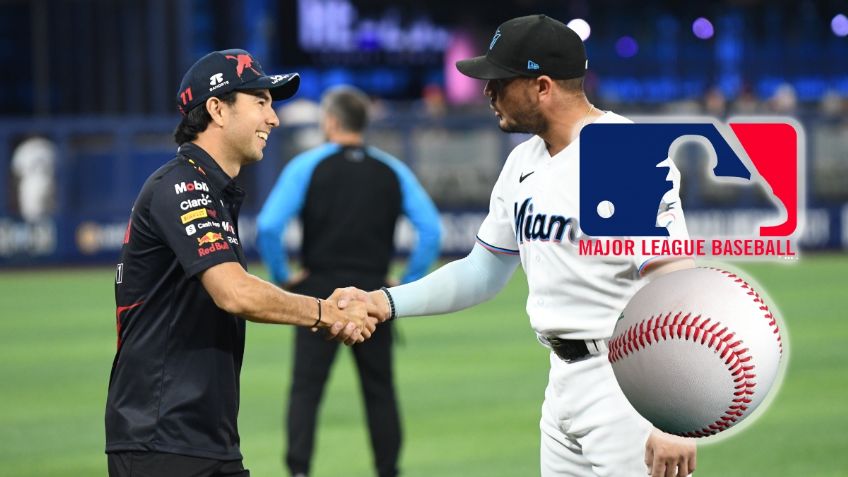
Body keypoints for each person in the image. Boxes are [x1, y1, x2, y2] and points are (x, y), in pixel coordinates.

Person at [336, 15, 698, 477]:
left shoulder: (621, 155)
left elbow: (675, 282)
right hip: (563, 383)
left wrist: (676, 412)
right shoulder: (522, 162)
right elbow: (482, 272)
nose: (487, 92)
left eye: (501, 81)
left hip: (629, 382)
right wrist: (384, 302)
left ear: (542, 86)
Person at [105, 49, 378, 477]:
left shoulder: (210, 191)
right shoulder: (180, 185)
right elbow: (235, 293)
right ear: (216, 108)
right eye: (261, 102)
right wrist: (325, 312)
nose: (275, 119)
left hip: (202, 440)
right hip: (161, 442)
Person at [256, 85, 442, 477]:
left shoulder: (307, 166)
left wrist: (284, 280)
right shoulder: (391, 169)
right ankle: (389, 471)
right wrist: (403, 287)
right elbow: (430, 230)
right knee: (380, 391)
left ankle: (299, 471)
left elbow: (269, 227)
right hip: (374, 298)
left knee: (306, 390)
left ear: (331, 121)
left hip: (318, 295)